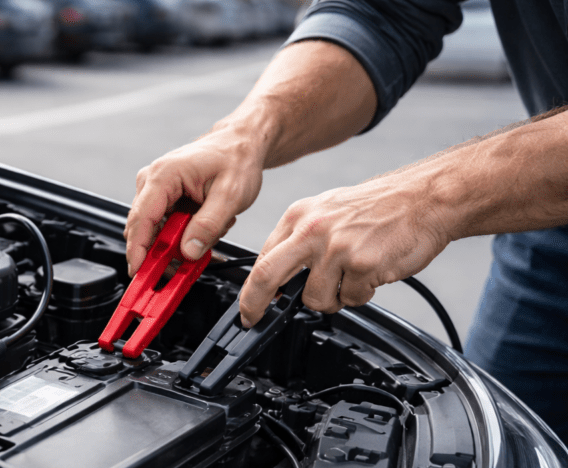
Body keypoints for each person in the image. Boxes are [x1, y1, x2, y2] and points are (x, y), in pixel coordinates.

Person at [123, 0, 568, 443]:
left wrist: (432, 197)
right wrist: (245, 133)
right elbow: (385, 15)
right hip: (550, 250)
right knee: (503, 446)